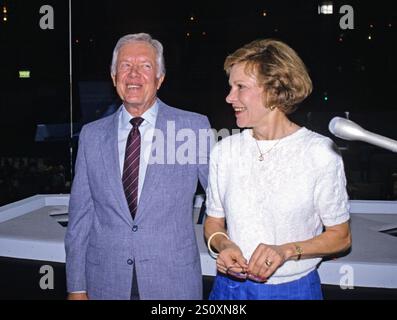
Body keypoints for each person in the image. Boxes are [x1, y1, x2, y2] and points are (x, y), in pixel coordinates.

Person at [65, 33, 211, 300]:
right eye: (125, 65)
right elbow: (80, 218)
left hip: (172, 285)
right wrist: (76, 287)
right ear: (113, 77)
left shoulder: (192, 127)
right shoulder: (91, 135)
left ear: (160, 78)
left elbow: (221, 197)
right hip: (105, 284)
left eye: (145, 66)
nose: (133, 74)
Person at [204, 39, 351, 300]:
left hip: (294, 290)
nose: (229, 97)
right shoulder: (224, 151)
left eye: (240, 87)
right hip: (229, 289)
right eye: (230, 87)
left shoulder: (319, 152)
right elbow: (214, 221)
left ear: (274, 90)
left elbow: (341, 237)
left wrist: (285, 251)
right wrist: (223, 245)